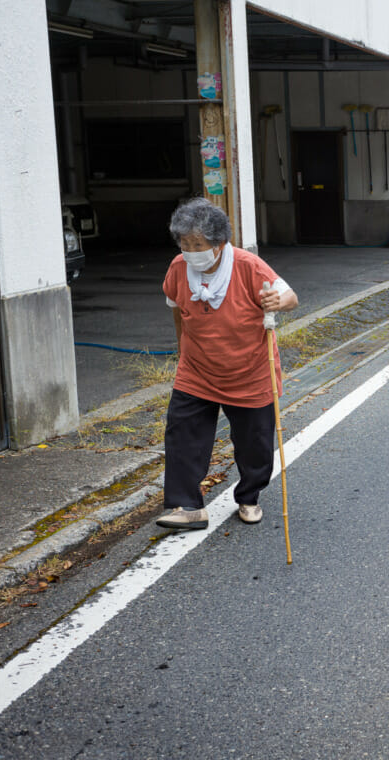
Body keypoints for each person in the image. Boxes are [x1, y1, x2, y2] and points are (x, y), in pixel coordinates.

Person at [156, 198, 298, 530]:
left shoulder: (250, 267)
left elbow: (290, 296)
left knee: (254, 443)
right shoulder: (179, 268)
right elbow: (177, 308)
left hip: (250, 370)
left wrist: (280, 301)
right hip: (198, 370)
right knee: (182, 435)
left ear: (219, 244)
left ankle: (249, 497)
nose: (191, 251)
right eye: (185, 243)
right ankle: (186, 506)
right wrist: (183, 350)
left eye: (198, 245)